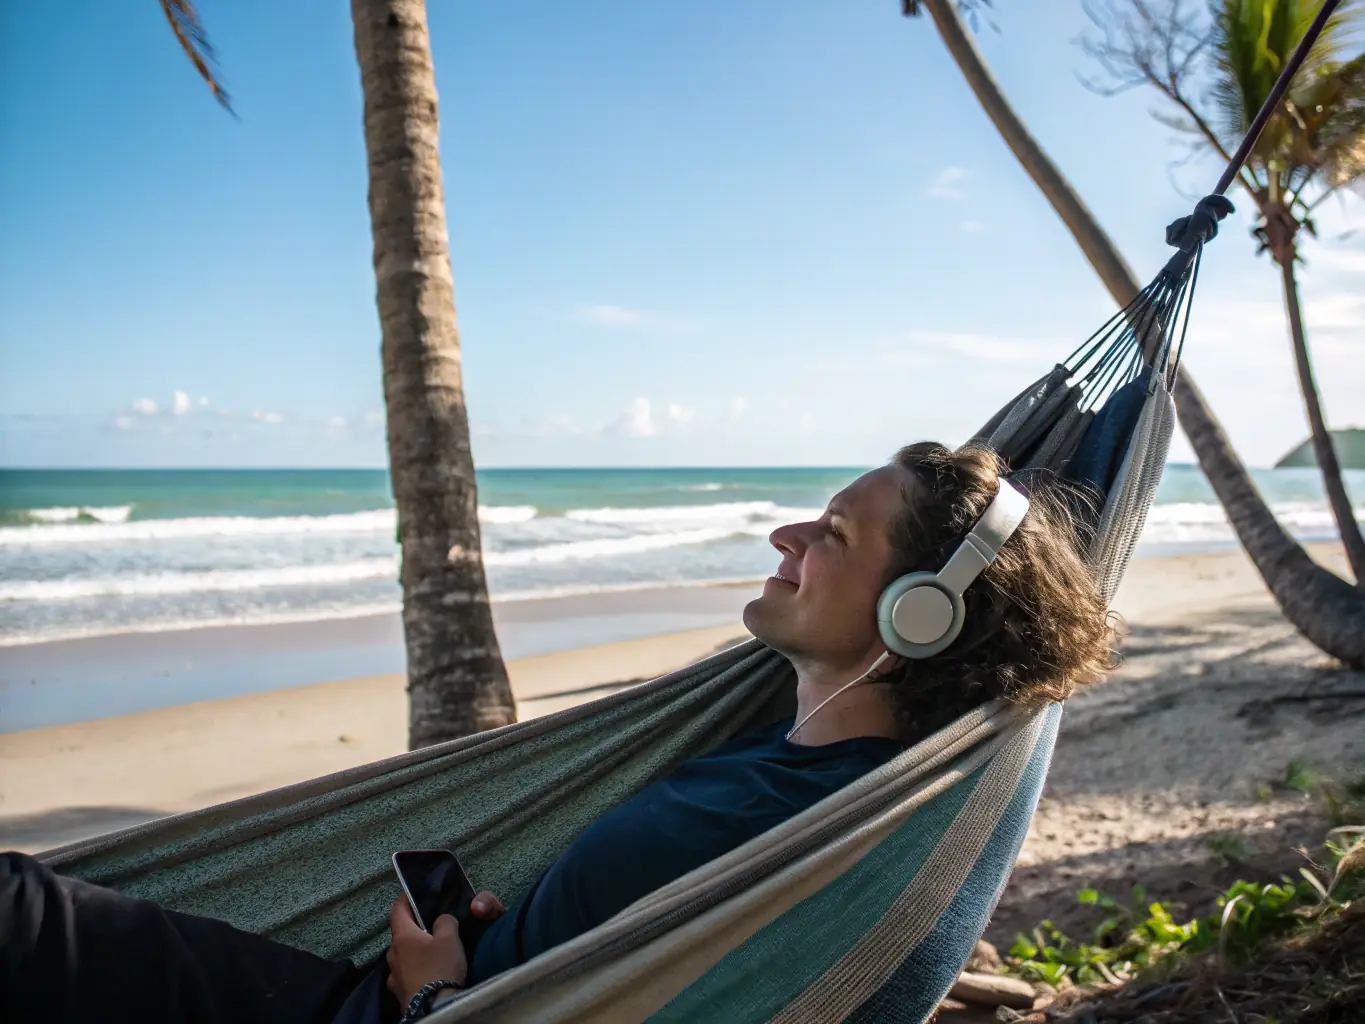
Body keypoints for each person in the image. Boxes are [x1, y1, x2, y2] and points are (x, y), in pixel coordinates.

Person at [0, 442, 1114, 1024]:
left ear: (920, 610)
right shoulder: (808, 773)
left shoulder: (823, 831)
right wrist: (502, 933)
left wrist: (438, 991)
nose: (784, 532)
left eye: (830, 533)